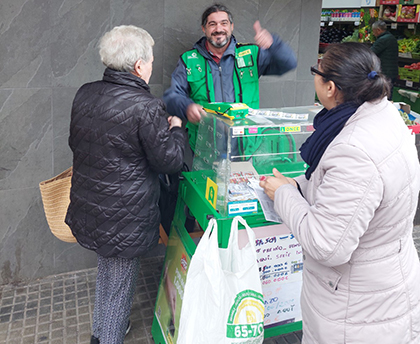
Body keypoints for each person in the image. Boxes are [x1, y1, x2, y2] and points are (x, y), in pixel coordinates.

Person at [260, 43, 420, 343]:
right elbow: (356, 195)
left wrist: (284, 194)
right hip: (384, 284)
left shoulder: (354, 148)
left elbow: (327, 245)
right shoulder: (383, 116)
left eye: (316, 72)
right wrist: (301, 186)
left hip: (357, 308)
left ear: (331, 87)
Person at [65, 25, 186, 344]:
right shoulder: (146, 107)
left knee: (108, 271)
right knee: (118, 281)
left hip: (93, 204)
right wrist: (176, 128)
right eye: (150, 59)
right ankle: (107, 337)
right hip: (124, 213)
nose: (151, 64)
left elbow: (74, 141)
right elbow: (169, 161)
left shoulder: (85, 93)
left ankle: (101, 330)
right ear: (138, 66)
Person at [163, 3, 298, 153]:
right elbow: (172, 96)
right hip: (206, 148)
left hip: (246, 145)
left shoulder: (251, 54)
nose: (218, 29)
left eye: (224, 23)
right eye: (212, 24)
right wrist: (187, 107)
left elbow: (289, 63)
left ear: (232, 26)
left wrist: (274, 45)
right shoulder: (189, 59)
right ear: (204, 28)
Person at [371, 20, 398, 100]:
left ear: (378, 30)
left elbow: (371, 53)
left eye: (374, 31)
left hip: (385, 72)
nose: (373, 33)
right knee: (388, 94)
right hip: (391, 72)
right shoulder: (391, 37)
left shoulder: (383, 40)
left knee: (383, 95)